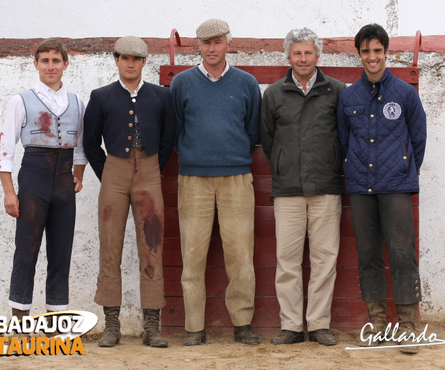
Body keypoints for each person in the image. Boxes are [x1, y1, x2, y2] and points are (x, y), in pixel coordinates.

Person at [170, 19, 261, 346]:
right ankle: (194, 327)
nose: (211, 48)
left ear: (227, 44)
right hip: (194, 179)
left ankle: (242, 324)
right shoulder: (181, 83)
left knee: (240, 255)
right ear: (198, 45)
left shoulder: (247, 83)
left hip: (236, 178)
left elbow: (252, 131)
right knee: (192, 256)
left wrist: (229, 154)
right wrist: (197, 155)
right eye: (206, 42)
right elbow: (176, 129)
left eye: (218, 42)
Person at [337, 24, 427, 353]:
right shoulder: (348, 97)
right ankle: (377, 321)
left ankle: (407, 324)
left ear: (386, 53)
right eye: (366, 51)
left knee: (403, 255)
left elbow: (418, 140)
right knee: (369, 256)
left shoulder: (405, 94)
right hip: (361, 188)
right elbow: (344, 141)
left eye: (377, 50)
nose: (372, 57)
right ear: (359, 54)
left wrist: (404, 170)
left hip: (397, 187)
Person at [83, 36, 175, 348]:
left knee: (152, 243)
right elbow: (90, 142)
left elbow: (168, 138)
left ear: (144, 62)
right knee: (110, 244)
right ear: (116, 60)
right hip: (114, 170)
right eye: (125, 58)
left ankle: (152, 325)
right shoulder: (101, 96)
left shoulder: (161, 96)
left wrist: (154, 168)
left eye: (136, 59)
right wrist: (107, 172)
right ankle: (112, 324)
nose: (130, 63)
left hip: (149, 170)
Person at [260, 28, 346, 347]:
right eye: (297, 53)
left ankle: (320, 324)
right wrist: (283, 163)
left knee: (325, 259)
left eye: (308, 53)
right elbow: (268, 139)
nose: (303, 58)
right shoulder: (274, 94)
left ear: (317, 56)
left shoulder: (336, 91)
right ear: (288, 57)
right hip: (288, 190)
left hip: (326, 187)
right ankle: (292, 326)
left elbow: (344, 136)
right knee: (288, 261)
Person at [0, 38, 87, 320]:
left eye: (56, 61)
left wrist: (78, 176)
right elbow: (4, 148)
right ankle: (19, 319)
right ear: (35, 64)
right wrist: (10, 192)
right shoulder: (20, 100)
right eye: (44, 61)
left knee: (61, 251)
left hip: (63, 180)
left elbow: (80, 145)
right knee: (26, 248)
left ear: (65, 65)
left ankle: (56, 320)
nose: (50, 66)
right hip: (34, 176)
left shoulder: (76, 102)